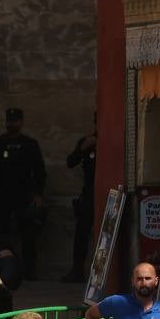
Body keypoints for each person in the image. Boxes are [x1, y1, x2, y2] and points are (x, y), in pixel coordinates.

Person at [0, 108, 47, 279]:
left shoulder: (29, 144)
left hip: (23, 195)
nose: (12, 123)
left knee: (27, 234)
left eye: (15, 120)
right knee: (0, 232)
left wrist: (38, 194)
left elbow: (39, 171)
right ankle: (0, 267)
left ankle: (29, 271)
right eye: (9, 120)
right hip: (2, 194)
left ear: (21, 122)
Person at [63, 121, 97, 283]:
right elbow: (70, 162)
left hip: (110, 192)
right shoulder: (87, 141)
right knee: (81, 233)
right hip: (89, 193)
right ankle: (77, 271)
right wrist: (82, 148)